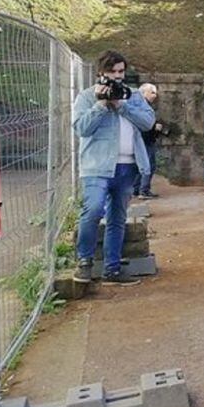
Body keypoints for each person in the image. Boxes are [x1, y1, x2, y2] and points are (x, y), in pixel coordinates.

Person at [71, 50, 155, 286]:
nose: (118, 76)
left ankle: (113, 269)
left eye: (121, 71)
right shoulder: (87, 96)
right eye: (112, 72)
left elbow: (148, 122)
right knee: (93, 209)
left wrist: (121, 106)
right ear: (101, 73)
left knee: (117, 218)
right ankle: (85, 261)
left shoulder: (133, 95)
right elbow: (82, 129)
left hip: (127, 166)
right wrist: (101, 104)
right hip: (96, 166)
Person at [133, 83, 162, 199]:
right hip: (145, 138)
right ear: (143, 93)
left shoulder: (141, 105)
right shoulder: (141, 105)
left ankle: (137, 189)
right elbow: (143, 122)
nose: (155, 95)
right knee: (148, 164)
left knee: (141, 164)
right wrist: (154, 126)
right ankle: (143, 190)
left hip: (144, 138)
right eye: (152, 92)